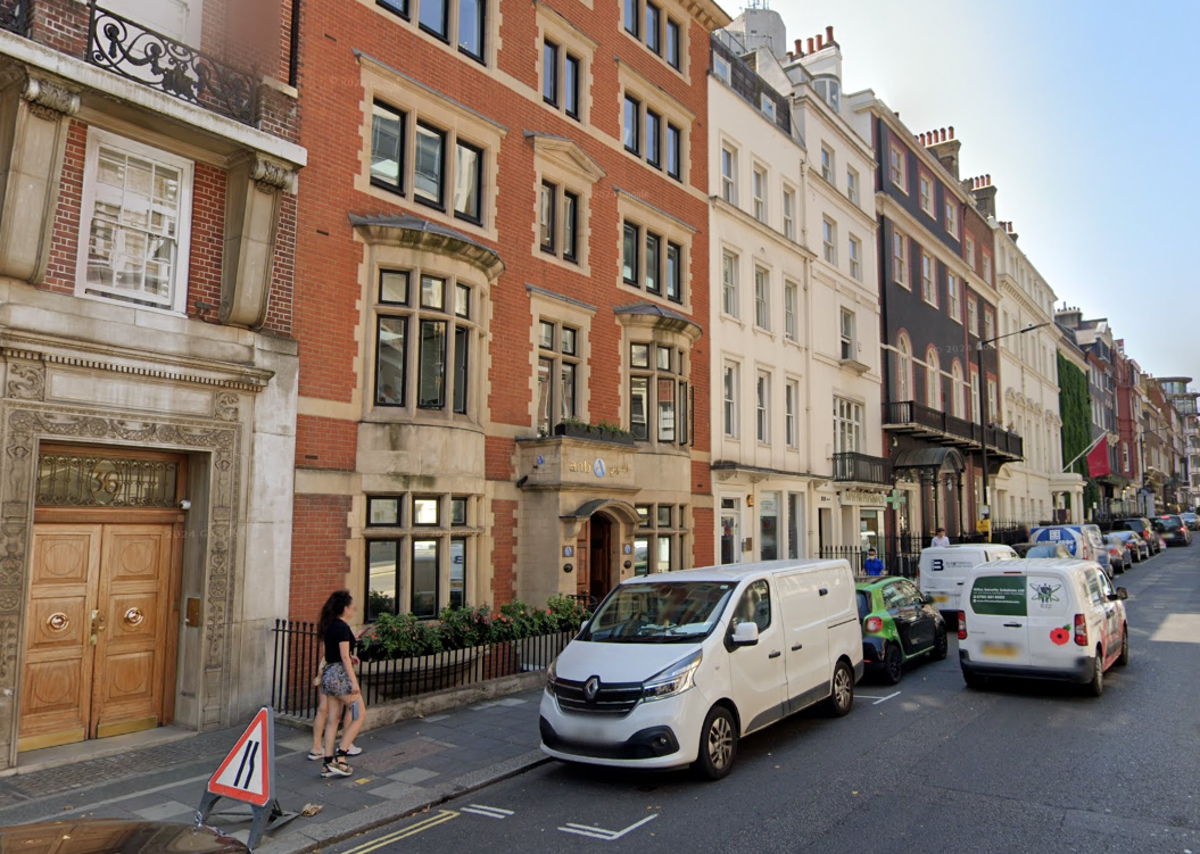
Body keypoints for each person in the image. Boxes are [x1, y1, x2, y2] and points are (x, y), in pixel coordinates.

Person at [317, 590, 366, 778]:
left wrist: (350, 656)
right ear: (345, 609)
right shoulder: (343, 628)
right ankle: (342, 756)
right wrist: (354, 682)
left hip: (328, 675)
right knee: (358, 713)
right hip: (340, 677)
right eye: (352, 607)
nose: (353, 610)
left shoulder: (329, 625)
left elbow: (337, 654)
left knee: (333, 720)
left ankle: (327, 764)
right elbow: (344, 657)